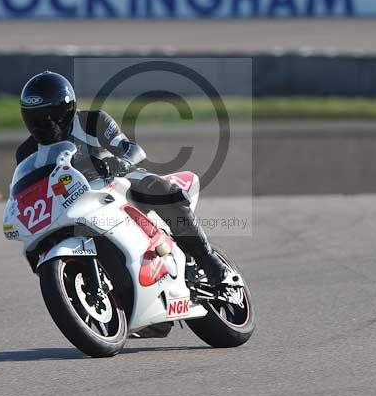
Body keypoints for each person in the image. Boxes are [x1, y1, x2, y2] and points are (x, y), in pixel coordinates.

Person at [15, 70, 228, 285]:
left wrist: (118, 162)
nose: (44, 123)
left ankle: (207, 259)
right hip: (70, 202)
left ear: (67, 108)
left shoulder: (92, 121)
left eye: (51, 114)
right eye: (35, 118)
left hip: (114, 181)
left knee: (160, 190)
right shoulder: (26, 152)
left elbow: (130, 149)